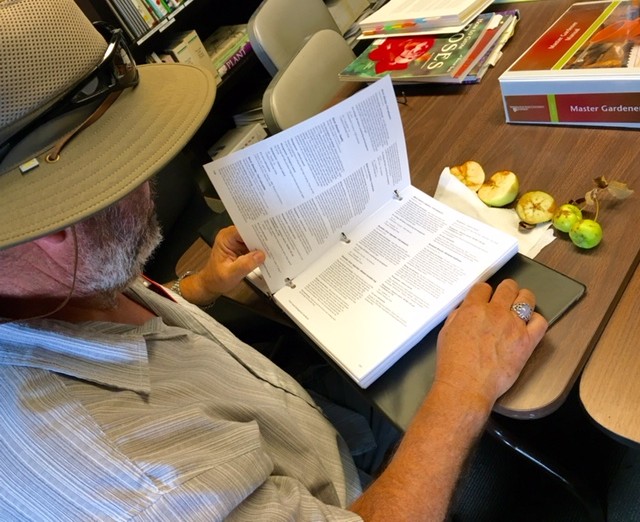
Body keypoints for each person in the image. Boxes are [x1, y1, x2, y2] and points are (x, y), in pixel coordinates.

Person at [0, 1, 548, 520]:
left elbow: (123, 326)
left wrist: (198, 289)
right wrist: (464, 390)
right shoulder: (137, 488)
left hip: (309, 418)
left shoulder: (62, 278)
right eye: (131, 167)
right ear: (57, 227)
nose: (150, 182)